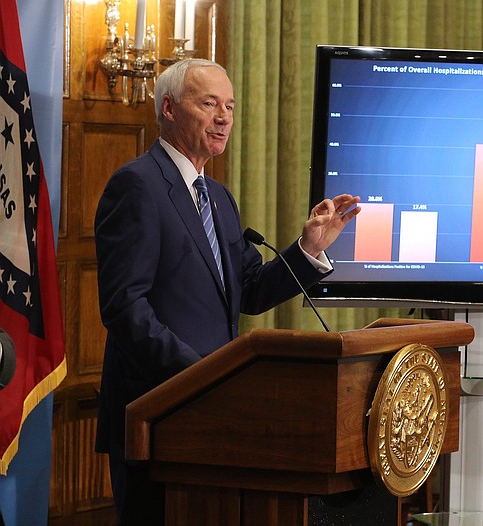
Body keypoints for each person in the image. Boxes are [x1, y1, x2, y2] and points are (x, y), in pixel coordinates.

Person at [94, 58, 359, 525]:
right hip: (157, 409)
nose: (224, 118)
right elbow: (125, 309)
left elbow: (250, 291)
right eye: (210, 103)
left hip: (214, 411)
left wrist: (308, 249)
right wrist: (201, 376)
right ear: (170, 109)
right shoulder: (136, 185)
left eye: (230, 107)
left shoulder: (217, 196)